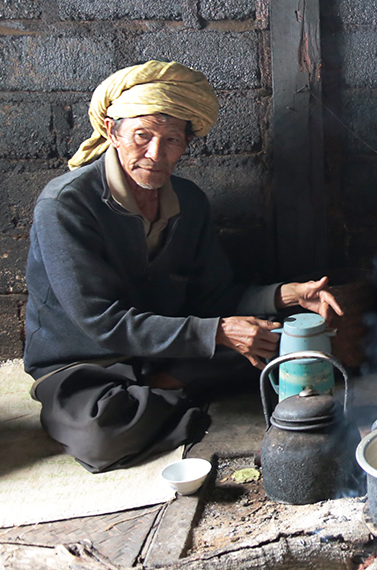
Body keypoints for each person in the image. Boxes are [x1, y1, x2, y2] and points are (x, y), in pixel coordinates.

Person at [24, 60, 346, 473]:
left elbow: (213, 296)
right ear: (111, 131)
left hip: (169, 342)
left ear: (186, 143)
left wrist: (285, 295)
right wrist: (216, 332)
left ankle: (164, 386)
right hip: (88, 362)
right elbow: (101, 321)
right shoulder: (66, 204)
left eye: (172, 139)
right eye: (142, 136)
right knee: (102, 435)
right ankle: (170, 387)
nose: (156, 154)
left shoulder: (189, 202)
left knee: (285, 351)